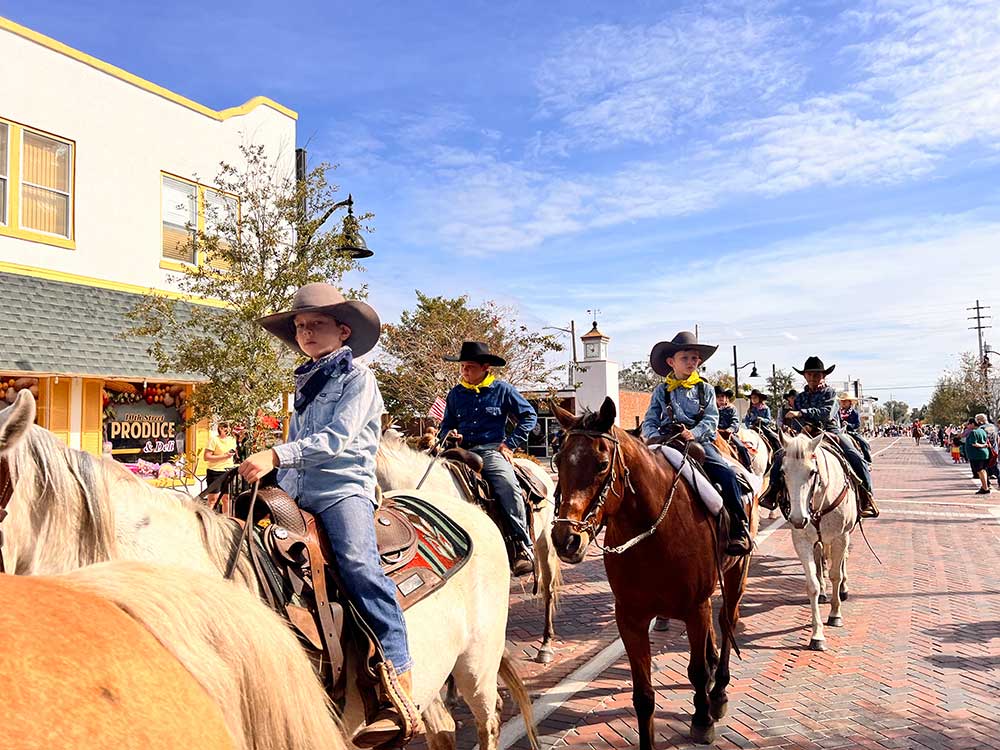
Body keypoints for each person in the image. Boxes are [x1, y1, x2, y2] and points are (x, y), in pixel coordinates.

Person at [238, 282, 416, 748]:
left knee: (358, 565)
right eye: (299, 326)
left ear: (342, 331)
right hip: (297, 491)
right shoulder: (306, 382)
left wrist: (276, 455)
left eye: (316, 325)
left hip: (342, 491)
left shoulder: (358, 379)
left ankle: (397, 682)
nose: (306, 333)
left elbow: (336, 439)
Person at [641, 331, 752, 555]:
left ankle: (738, 528)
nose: (691, 362)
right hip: (666, 442)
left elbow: (712, 419)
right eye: (685, 358)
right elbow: (650, 419)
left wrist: (693, 433)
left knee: (727, 475)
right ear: (671, 362)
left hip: (697, 443)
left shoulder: (706, 389)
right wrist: (652, 435)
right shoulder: (661, 391)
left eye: (694, 358)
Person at [437, 341, 538, 576]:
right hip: (459, 451)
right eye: (462, 367)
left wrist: (510, 444)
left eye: (469, 367)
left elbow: (529, 416)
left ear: (485, 368)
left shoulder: (503, 390)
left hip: (490, 450)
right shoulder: (455, 394)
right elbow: (446, 425)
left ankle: (522, 545)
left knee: (508, 486)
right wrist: (448, 434)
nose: (464, 371)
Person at [760, 356, 878, 518]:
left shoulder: (830, 393)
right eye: (809, 375)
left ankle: (867, 496)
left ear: (823, 376)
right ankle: (772, 492)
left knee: (854, 455)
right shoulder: (801, 397)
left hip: (830, 432)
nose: (812, 378)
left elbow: (826, 414)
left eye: (816, 375)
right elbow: (796, 420)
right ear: (804, 376)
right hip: (805, 435)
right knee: (781, 456)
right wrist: (799, 423)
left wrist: (802, 414)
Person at [715, 385, 752, 468]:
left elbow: (735, 422)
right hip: (715, 433)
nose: (720, 398)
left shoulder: (731, 409)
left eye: (722, 396)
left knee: (741, 447)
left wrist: (730, 429)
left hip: (728, 434)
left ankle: (748, 467)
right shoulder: (712, 409)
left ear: (726, 398)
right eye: (718, 396)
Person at [202, 421, 237, 508]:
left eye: (229, 428)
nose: (227, 430)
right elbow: (206, 457)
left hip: (228, 471)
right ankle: (209, 518)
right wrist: (224, 456)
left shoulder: (232, 440)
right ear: (220, 429)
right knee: (213, 498)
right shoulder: (214, 439)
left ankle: (226, 519)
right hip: (215, 471)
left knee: (227, 498)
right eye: (224, 427)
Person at [837, 392, 872, 463]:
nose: (843, 403)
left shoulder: (854, 413)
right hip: (838, 432)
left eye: (845, 401)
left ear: (850, 402)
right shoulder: (837, 413)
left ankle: (867, 460)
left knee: (863, 442)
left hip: (851, 432)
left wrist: (849, 425)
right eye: (842, 401)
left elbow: (857, 424)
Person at [967, 414, 991, 495]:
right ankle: (985, 486)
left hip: (977, 455)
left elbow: (974, 444)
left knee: (980, 471)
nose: (968, 425)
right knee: (983, 470)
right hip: (984, 454)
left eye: (969, 424)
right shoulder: (983, 431)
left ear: (973, 424)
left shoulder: (973, 432)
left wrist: (982, 446)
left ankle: (985, 487)